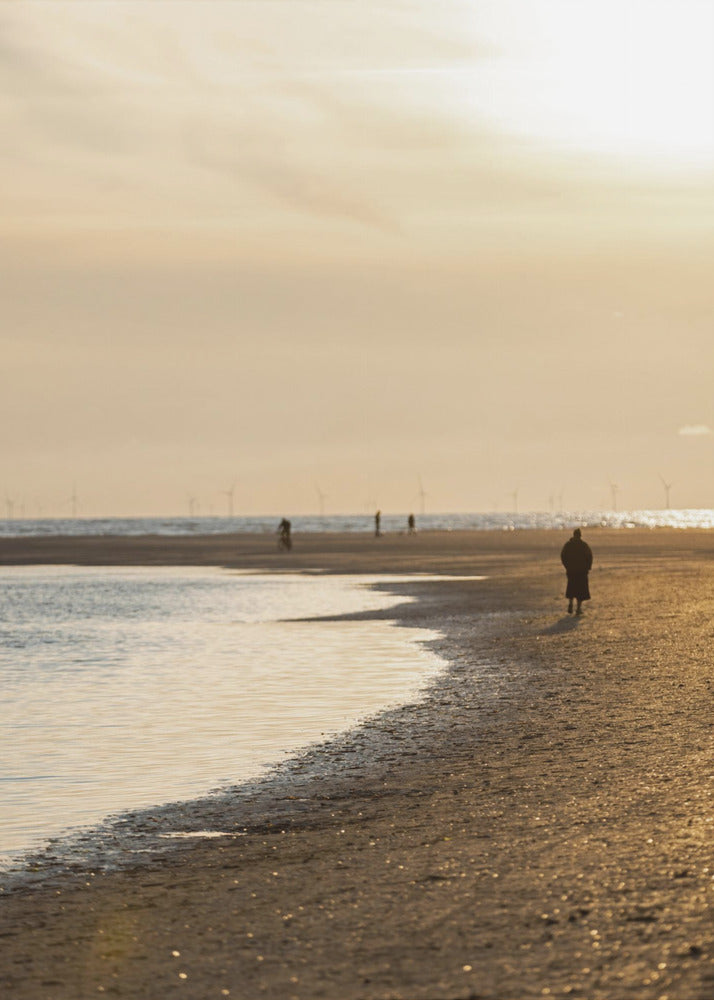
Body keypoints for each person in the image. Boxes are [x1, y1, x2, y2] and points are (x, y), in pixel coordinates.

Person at [560, 527, 592, 615]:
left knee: (571, 588)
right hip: (582, 571)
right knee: (580, 591)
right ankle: (578, 608)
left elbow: (563, 556)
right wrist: (588, 567)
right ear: (580, 536)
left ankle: (570, 604)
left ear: (573, 535)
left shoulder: (568, 545)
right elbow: (589, 557)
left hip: (571, 570)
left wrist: (567, 566)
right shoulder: (584, 545)